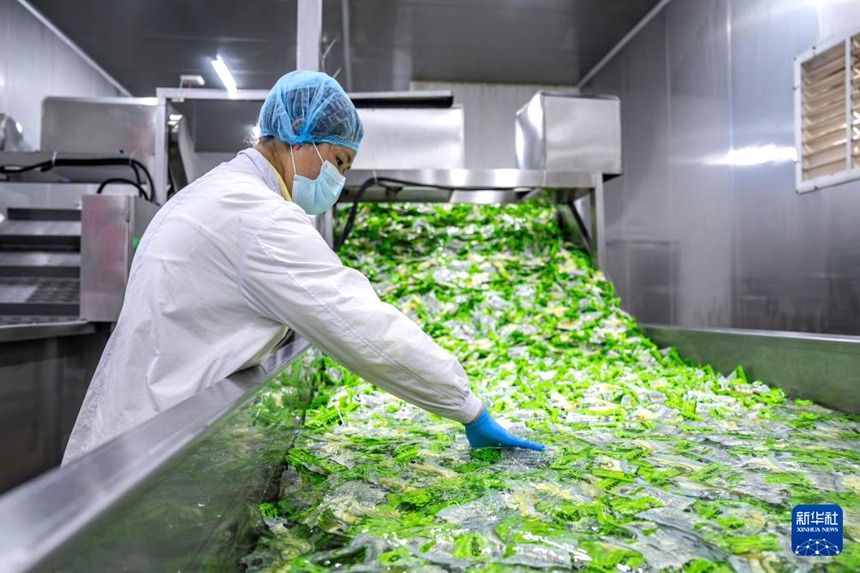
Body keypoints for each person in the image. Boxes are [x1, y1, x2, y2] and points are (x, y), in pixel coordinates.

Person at [63, 70, 543, 464]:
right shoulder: (260, 218)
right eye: (338, 161)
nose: (338, 179)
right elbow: (361, 324)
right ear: (299, 138)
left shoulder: (215, 191)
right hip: (151, 449)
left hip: (129, 434)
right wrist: (467, 407)